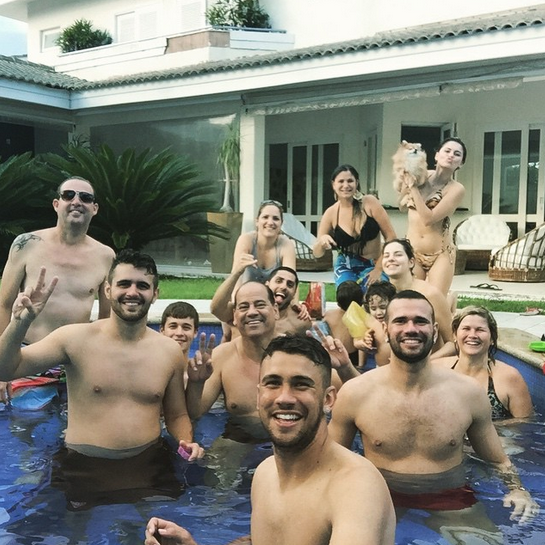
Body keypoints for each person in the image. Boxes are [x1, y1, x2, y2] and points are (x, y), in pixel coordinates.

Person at [145, 335, 396, 545]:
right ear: (258, 397)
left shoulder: (355, 488)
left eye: (301, 385)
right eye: (273, 383)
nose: (284, 398)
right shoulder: (265, 475)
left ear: (328, 400)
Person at [329, 290, 539, 538]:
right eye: (400, 321)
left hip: (450, 496)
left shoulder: (468, 393)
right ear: (385, 329)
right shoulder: (356, 393)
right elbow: (328, 459)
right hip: (379, 495)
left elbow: (498, 460)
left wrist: (517, 490)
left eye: (420, 321)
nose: (411, 329)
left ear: (435, 330)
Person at [0, 250, 203, 483]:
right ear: (108, 290)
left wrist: (187, 442)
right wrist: (20, 323)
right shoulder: (74, 340)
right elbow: (6, 369)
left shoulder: (169, 351)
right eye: (124, 284)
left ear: (155, 294)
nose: (132, 292)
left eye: (142, 286)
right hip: (81, 465)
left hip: (149, 464)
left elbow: (177, 415)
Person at [0, 177, 115, 403]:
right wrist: (1, 369)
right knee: (23, 421)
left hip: (75, 362)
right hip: (26, 358)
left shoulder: (105, 256)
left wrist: (103, 367)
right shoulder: (27, 244)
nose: (76, 201)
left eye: (85, 197)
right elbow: (3, 305)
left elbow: (107, 319)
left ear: (94, 208)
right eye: (68, 195)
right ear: (56, 204)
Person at [188, 281, 358, 423]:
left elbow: (363, 396)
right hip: (241, 437)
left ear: (275, 310)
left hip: (296, 437)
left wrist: (345, 368)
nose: (252, 312)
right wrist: (196, 383)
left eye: (260, 305)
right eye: (244, 307)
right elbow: (195, 413)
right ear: (235, 315)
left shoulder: (298, 352)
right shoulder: (222, 356)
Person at [434, 306, 533, 419]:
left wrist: (481, 426)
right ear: (455, 335)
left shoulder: (510, 377)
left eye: (480, 330)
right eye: (466, 329)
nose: (472, 335)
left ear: (492, 338)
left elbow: (525, 423)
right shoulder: (436, 369)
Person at [313, 164, 396, 290]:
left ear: (356, 183)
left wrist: (379, 268)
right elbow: (317, 254)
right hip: (346, 266)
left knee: (377, 294)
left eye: (350, 181)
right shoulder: (331, 213)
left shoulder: (370, 203)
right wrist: (322, 241)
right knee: (349, 295)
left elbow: (391, 237)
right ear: (333, 184)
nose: (346, 185)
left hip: (373, 264)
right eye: (341, 181)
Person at [401, 137, 466, 296]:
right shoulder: (421, 176)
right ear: (436, 155)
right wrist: (408, 167)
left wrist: (413, 188)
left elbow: (428, 219)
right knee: (410, 298)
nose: (451, 155)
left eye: (457, 154)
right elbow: (402, 205)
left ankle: (450, 302)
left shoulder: (456, 189)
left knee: (436, 300)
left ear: (461, 163)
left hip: (440, 253)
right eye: (447, 151)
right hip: (413, 250)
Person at [382, 238, 452, 346]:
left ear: (411, 262)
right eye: (386, 256)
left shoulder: (430, 294)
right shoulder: (380, 294)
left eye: (398, 255)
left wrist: (433, 357)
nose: (391, 259)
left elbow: (452, 342)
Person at [211, 266, 310, 337]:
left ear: (294, 293)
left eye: (290, 285)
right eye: (279, 281)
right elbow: (216, 309)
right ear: (267, 284)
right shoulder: (245, 311)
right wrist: (237, 273)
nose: (284, 287)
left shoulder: (300, 322)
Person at [232, 199, 296, 284]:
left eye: (276, 218)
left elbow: (291, 281)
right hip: (246, 291)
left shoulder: (286, 244)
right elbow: (235, 278)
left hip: (274, 292)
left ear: (281, 223)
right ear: (257, 221)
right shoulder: (246, 240)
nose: (270, 222)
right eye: (265, 217)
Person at [353, 280, 397, 367]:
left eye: (383, 307)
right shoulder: (371, 323)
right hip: (380, 368)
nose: (378, 312)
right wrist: (363, 342)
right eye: (373, 308)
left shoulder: (398, 322)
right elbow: (356, 342)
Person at [322, 280, 364, 367]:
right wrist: (361, 366)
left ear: (338, 302)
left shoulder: (329, 315)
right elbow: (362, 347)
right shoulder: (361, 317)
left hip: (335, 353)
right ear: (361, 300)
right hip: (354, 357)